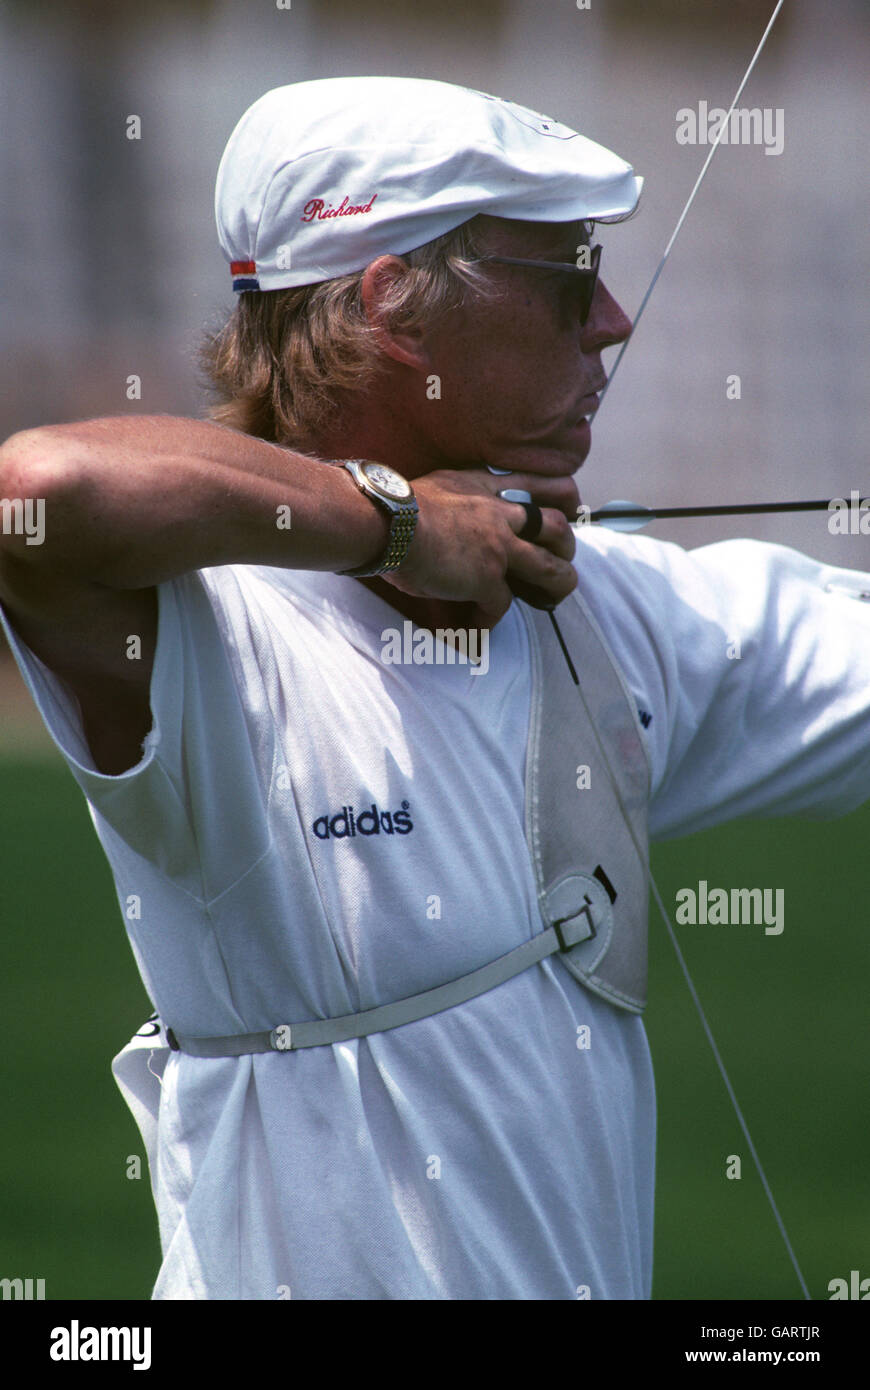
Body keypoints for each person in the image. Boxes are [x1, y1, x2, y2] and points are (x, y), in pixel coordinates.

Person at [1, 75, 868, 1301]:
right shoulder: (214, 631)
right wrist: (394, 526)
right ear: (391, 306)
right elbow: (39, 495)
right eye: (569, 277)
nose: (614, 320)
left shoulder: (617, 606)